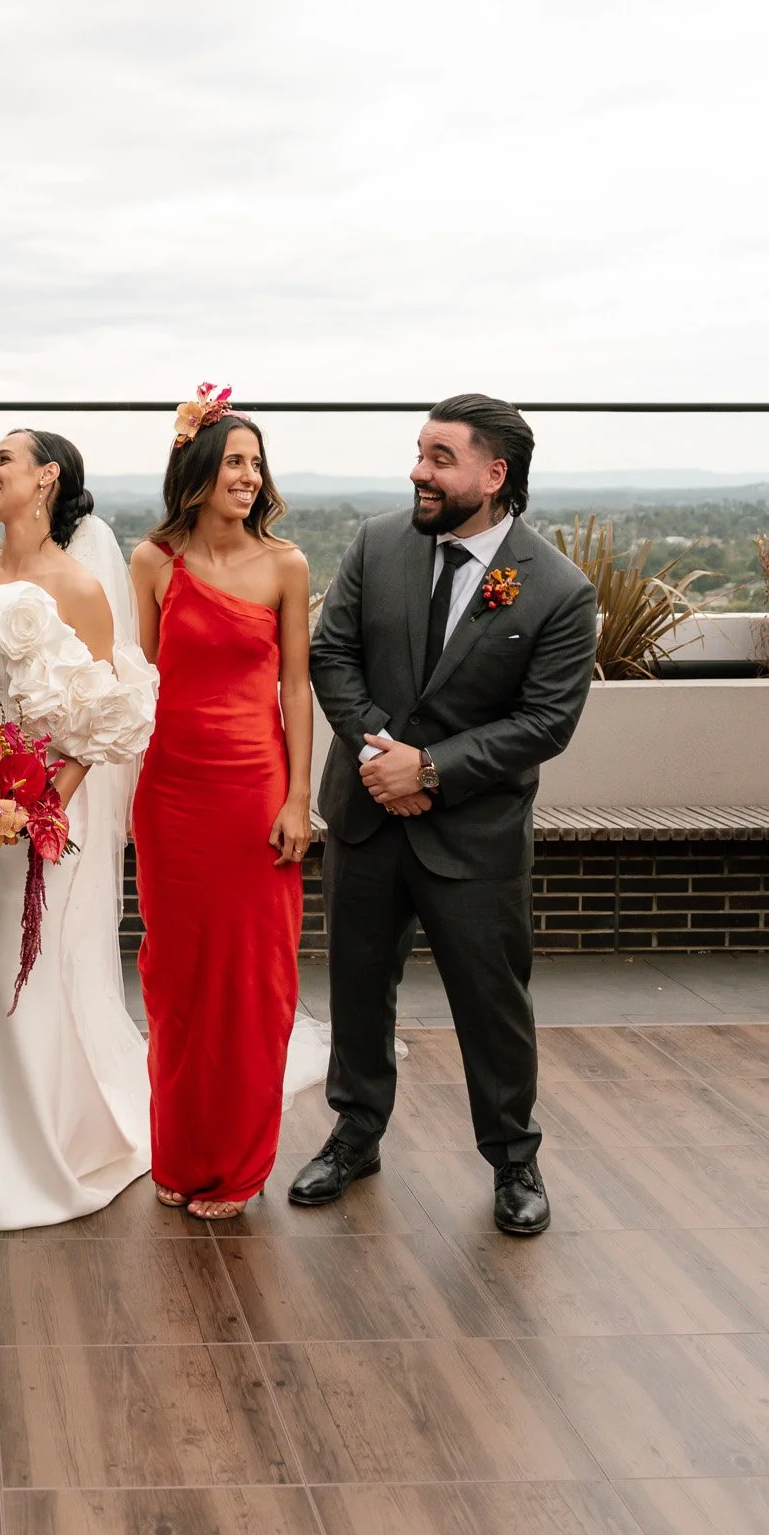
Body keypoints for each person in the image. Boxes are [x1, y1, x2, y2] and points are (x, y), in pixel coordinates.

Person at [296, 393, 597, 1236]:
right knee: (357, 988)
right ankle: (356, 1135)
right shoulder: (377, 542)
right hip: (365, 816)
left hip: (472, 837)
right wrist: (377, 755)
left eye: (439, 458)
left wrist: (428, 770)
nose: (418, 472)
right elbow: (334, 654)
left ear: (494, 475)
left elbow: (546, 722)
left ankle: (513, 1158)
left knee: (491, 1001)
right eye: (419, 453)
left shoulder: (560, 593)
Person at [0, 429, 158, 1231]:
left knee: (34, 961)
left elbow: (103, 719)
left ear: (46, 478)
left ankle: (39, 1145)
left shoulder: (80, 588)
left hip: (40, 811)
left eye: (3, 461)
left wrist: (41, 799)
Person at [129, 391, 322, 1220]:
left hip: (254, 795)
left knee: (252, 983)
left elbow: (296, 686)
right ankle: (179, 1152)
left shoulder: (287, 564)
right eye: (235, 461)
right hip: (170, 795)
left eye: (255, 463)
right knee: (177, 980)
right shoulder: (152, 563)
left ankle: (239, 1168)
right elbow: (132, 685)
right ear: (198, 471)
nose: (250, 476)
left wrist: (298, 797)